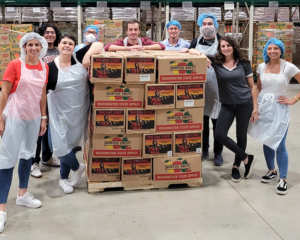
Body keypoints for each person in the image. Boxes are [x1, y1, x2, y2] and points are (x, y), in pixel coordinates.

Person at [190, 36, 258, 183]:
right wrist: (203, 56)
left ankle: (236, 166)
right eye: (223, 46)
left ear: (233, 46)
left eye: (228, 45)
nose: (226, 48)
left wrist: (255, 108)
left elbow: (252, 87)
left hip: (244, 104)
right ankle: (247, 158)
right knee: (220, 135)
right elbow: (189, 50)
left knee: (241, 136)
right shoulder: (216, 62)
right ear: (219, 48)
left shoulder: (244, 63)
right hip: (226, 105)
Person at [0, 32, 49, 233]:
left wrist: (43, 118)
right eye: (30, 44)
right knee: (7, 158)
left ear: (42, 47)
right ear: (24, 46)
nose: (34, 47)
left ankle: (22, 194)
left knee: (28, 154)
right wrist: (0, 117)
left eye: (37, 44)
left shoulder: (44, 66)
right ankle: (1, 208)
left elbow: (42, 94)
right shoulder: (15, 65)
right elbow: (4, 91)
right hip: (14, 115)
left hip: (33, 116)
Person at [47, 34, 103, 194]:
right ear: (58, 46)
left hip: (78, 112)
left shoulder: (78, 57)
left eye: (70, 43)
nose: (67, 46)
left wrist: (86, 57)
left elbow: (99, 45)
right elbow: (43, 92)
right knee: (57, 147)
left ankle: (63, 179)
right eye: (64, 43)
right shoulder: (50, 67)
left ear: (74, 47)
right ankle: (78, 168)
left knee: (70, 146)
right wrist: (43, 116)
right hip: (59, 113)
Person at [248, 38, 300, 195]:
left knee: (280, 144)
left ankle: (283, 179)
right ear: (266, 51)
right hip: (264, 107)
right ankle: (271, 170)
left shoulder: (288, 67)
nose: (272, 51)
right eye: (269, 48)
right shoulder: (262, 67)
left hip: (279, 108)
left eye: (276, 48)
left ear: (281, 50)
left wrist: (293, 100)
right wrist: (255, 109)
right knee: (267, 139)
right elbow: (258, 88)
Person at [182, 13, 224, 166]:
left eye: (210, 23)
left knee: (218, 121)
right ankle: (204, 150)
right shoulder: (195, 42)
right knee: (202, 122)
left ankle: (218, 152)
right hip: (199, 87)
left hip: (218, 87)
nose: (207, 26)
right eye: (204, 24)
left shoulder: (222, 42)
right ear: (200, 26)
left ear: (215, 25)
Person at [30, 24, 62, 178]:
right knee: (38, 128)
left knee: (50, 127)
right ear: (42, 35)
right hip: (39, 94)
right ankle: (33, 162)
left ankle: (47, 157)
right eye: (47, 32)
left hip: (56, 95)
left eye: (53, 32)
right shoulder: (38, 51)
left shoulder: (59, 50)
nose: (50, 35)